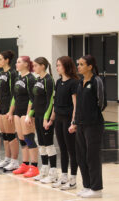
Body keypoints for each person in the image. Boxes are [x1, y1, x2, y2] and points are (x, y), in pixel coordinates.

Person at [69, 55, 106, 198]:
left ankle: (96, 189)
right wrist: (75, 122)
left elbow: (102, 103)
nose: (78, 66)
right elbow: (78, 105)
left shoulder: (97, 81)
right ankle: (87, 186)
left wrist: (91, 116)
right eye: (78, 64)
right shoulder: (79, 83)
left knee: (92, 156)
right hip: (81, 125)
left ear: (90, 66)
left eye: (82, 64)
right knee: (81, 156)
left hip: (94, 125)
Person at [48, 56, 79, 190]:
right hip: (59, 119)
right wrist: (51, 119)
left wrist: (74, 122)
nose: (57, 68)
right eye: (56, 65)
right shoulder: (59, 82)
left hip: (68, 119)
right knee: (62, 148)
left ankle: (73, 179)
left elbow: (75, 105)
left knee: (71, 149)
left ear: (66, 66)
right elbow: (55, 103)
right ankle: (64, 176)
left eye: (59, 65)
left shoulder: (74, 83)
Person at [7, 56, 39, 178]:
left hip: (27, 113)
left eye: (19, 62)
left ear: (26, 64)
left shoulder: (31, 79)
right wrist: (11, 112)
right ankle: (25, 164)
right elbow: (14, 97)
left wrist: (29, 115)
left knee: (29, 138)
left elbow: (33, 98)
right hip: (18, 112)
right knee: (21, 139)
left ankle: (34, 166)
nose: (16, 64)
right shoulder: (18, 78)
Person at [26, 57, 57, 183]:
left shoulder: (49, 80)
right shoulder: (38, 79)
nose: (34, 68)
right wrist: (30, 114)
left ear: (43, 66)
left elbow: (50, 101)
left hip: (46, 116)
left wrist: (46, 118)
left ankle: (53, 172)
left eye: (36, 66)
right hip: (37, 115)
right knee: (41, 143)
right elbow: (35, 100)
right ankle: (44, 169)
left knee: (48, 144)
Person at [0, 50, 18, 171]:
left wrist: (11, 111)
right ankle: (7, 158)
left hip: (8, 107)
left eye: (0, 59)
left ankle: (14, 160)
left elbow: (14, 94)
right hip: (0, 107)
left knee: (11, 135)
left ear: (7, 60)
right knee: (4, 135)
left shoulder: (13, 74)